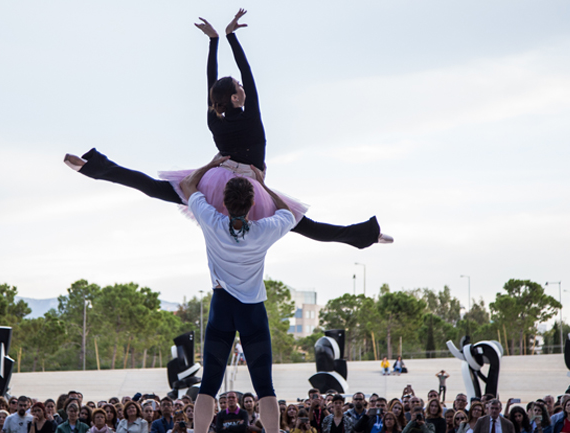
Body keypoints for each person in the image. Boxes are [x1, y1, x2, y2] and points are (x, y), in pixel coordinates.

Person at [66, 9, 392, 252]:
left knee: (152, 187)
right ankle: (369, 236)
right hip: (251, 185)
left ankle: (90, 166)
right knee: (307, 227)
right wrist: (230, 37)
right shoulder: (250, 117)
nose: (243, 85)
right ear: (237, 96)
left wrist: (214, 43)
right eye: (239, 85)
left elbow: (212, 86)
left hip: (215, 180)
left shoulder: (214, 118)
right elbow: (245, 73)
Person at [178, 152, 294, 433]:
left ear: (223, 203)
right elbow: (288, 213)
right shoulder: (264, 230)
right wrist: (263, 183)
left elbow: (187, 186)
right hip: (252, 311)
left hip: (221, 308)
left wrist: (211, 164)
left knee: (208, 384)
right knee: (265, 386)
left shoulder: (211, 220)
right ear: (254, 204)